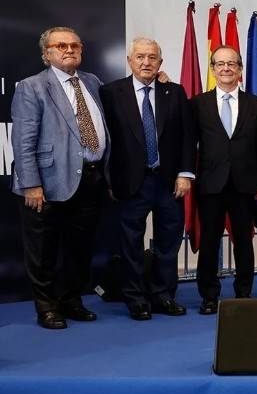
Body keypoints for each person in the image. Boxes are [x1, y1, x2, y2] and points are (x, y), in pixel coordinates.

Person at [11, 26, 109, 329]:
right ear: (47, 53)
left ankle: (72, 300)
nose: (69, 50)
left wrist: (159, 80)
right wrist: (31, 184)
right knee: (43, 251)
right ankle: (47, 308)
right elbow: (23, 141)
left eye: (75, 45)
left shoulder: (92, 82)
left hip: (91, 180)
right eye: (61, 45)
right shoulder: (32, 87)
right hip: (47, 182)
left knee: (80, 248)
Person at [100, 37, 195, 320]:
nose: (146, 62)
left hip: (169, 182)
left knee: (169, 242)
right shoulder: (110, 92)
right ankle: (135, 298)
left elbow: (187, 137)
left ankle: (163, 295)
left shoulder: (174, 92)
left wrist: (185, 173)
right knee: (131, 244)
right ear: (130, 61)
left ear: (160, 62)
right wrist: (110, 179)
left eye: (152, 57)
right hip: (130, 183)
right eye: (140, 56)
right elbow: (106, 140)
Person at [190, 46, 257, 314]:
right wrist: (187, 175)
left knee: (243, 240)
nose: (226, 68)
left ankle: (243, 293)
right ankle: (209, 296)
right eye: (220, 64)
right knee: (210, 240)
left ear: (240, 69)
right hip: (210, 183)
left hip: (245, 183)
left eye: (231, 64)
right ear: (213, 69)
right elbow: (190, 145)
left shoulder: (256, 104)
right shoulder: (198, 104)